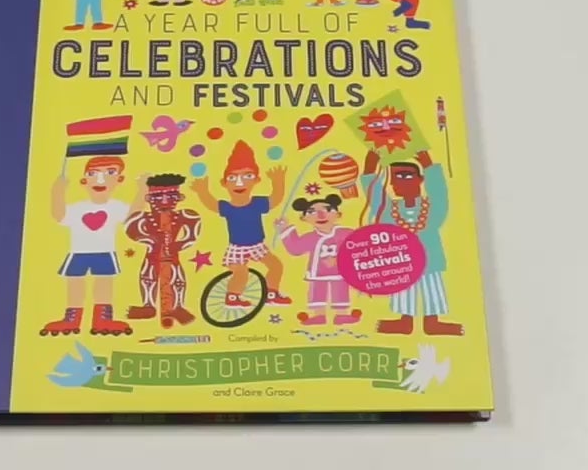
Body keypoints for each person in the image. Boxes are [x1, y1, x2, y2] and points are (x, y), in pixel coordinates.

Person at [359, 149, 461, 335]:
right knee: (404, 287)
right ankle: (405, 321)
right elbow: (376, 198)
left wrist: (429, 165)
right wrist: (369, 167)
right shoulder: (390, 211)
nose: (397, 182)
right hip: (403, 260)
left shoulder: (432, 210)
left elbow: (439, 194)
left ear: (421, 179)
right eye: (394, 178)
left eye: (405, 176)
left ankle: (432, 321)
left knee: (432, 285)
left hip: (430, 258)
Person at [188, 141, 291, 307]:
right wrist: (203, 191)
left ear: (256, 180)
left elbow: (276, 199)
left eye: (247, 176)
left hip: (257, 245)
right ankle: (232, 297)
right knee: (241, 273)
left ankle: (271, 293)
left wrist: (278, 181)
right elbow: (211, 204)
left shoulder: (257, 203)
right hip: (237, 248)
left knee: (276, 266)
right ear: (224, 183)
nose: (240, 183)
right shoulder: (227, 207)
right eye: (232, 178)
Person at [43, 155, 133, 335]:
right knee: (75, 282)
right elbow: (59, 216)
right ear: (84, 181)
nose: (100, 180)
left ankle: (103, 319)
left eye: (110, 172)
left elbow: (132, 216)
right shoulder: (78, 208)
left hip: (105, 251)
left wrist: (142, 191)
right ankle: (71, 319)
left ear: (120, 179)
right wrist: (57, 192)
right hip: (79, 252)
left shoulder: (116, 206)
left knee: (104, 282)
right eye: (93, 174)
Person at [123, 172, 201, 324]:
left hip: (172, 257)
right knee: (148, 277)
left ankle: (178, 306)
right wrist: (152, 241)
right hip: (152, 256)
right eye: (159, 197)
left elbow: (191, 236)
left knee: (177, 279)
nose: (165, 201)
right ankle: (148, 306)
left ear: (179, 197)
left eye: (171, 196)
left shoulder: (186, 216)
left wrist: (177, 245)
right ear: (149, 199)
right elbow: (131, 230)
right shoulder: (142, 217)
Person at [276, 194, 359, 325]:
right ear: (304, 218)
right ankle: (319, 316)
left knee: (341, 291)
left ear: (338, 214)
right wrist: (285, 229)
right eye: (312, 212)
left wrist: (339, 260)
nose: (321, 215)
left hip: (340, 272)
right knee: (317, 292)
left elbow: (357, 247)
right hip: (317, 273)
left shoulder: (345, 233)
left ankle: (341, 315)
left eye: (328, 210)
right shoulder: (311, 237)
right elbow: (295, 249)